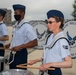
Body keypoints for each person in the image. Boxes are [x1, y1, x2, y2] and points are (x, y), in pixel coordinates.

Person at [28, 10, 72, 75]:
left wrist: (50, 64)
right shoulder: (50, 37)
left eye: (50, 22)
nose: (48, 24)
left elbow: (69, 63)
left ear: (59, 23)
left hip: (54, 71)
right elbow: (50, 56)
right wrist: (36, 60)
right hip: (45, 72)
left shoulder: (62, 40)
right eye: (47, 22)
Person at [5, 4, 38, 69]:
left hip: (21, 55)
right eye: (14, 13)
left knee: (20, 72)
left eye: (16, 13)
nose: (15, 15)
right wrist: (9, 44)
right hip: (13, 54)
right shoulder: (16, 26)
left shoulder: (27, 27)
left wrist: (20, 47)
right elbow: (17, 39)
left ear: (22, 13)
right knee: (12, 72)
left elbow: (34, 42)